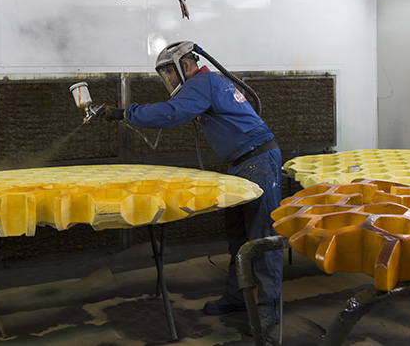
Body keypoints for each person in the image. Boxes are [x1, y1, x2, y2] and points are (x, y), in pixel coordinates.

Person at [96, 41, 283, 332]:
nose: (168, 79)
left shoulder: (202, 81)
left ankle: (270, 310)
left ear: (185, 65)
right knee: (238, 237)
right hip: (243, 163)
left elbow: (170, 113)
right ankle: (237, 295)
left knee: (261, 237)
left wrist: (123, 114)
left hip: (258, 160)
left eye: (169, 72)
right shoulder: (209, 82)